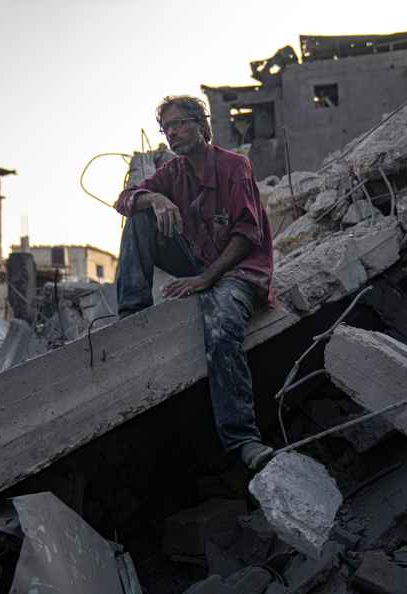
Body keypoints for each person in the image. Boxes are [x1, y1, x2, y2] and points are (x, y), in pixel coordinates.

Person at [114, 95, 275, 470]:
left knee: (221, 330)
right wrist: (154, 197)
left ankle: (243, 438)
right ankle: (131, 314)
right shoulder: (174, 172)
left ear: (201, 125)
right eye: (166, 128)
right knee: (139, 217)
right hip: (198, 260)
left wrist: (205, 279)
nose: (172, 133)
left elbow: (246, 234)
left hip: (237, 269)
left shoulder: (235, 166)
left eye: (179, 124)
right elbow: (123, 200)